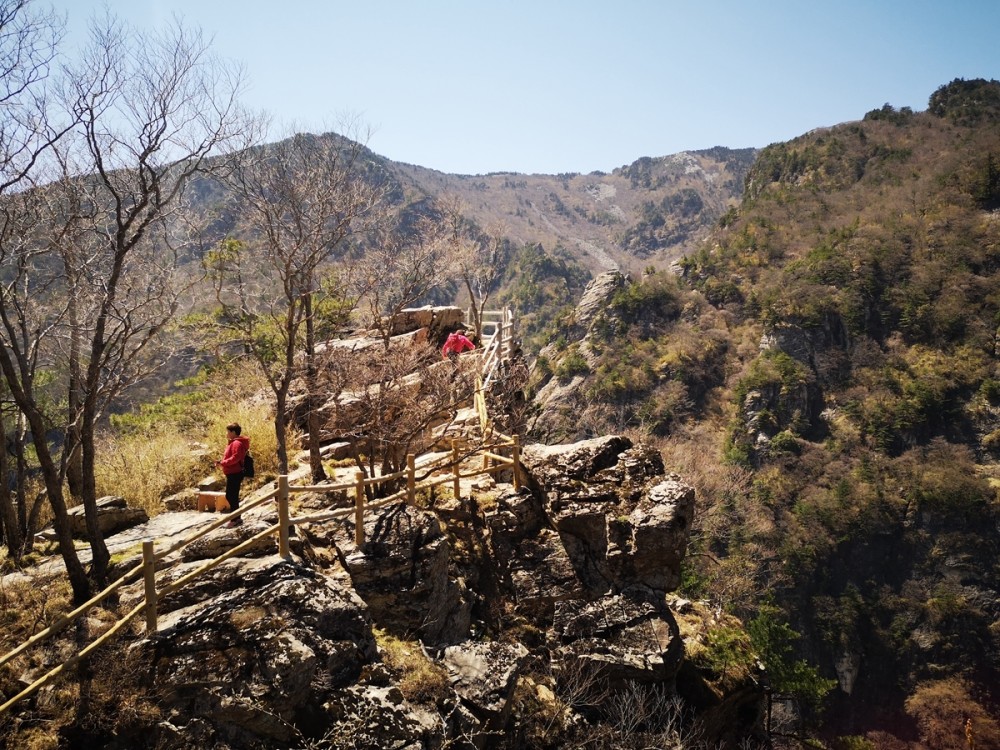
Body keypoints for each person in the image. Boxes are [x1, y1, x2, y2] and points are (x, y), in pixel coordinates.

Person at [216, 422, 250, 528]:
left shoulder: (237, 443)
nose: (226, 434)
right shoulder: (233, 442)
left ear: (233, 432)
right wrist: (221, 462)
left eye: (228, 431)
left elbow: (236, 458)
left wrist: (223, 463)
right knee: (231, 496)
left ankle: (235, 519)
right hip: (232, 473)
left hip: (235, 473)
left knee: (231, 496)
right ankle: (236, 518)